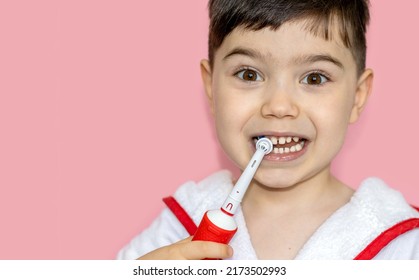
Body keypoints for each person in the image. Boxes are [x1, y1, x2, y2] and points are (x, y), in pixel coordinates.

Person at [118, 0, 419, 260]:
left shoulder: (405, 245)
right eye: (249, 74)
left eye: (314, 78)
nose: (278, 105)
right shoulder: (178, 227)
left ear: (357, 96)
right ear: (211, 88)